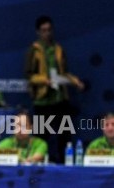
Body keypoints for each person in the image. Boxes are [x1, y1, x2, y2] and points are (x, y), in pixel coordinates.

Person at [25, 15, 84, 163]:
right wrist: (44, 80)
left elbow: (64, 72)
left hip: (60, 99)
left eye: (49, 30)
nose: (47, 33)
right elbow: (29, 75)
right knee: (41, 137)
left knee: (65, 136)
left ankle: (65, 165)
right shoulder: (34, 50)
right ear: (38, 32)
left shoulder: (58, 49)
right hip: (42, 101)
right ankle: (37, 165)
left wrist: (75, 80)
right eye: (43, 30)